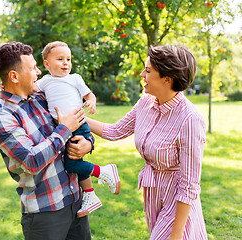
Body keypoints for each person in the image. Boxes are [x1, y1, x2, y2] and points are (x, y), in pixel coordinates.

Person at [87, 45, 208, 240]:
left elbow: (189, 185)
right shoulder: (145, 103)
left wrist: (176, 235)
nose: (142, 74)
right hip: (151, 193)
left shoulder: (190, 119)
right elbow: (115, 131)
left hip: (176, 201)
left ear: (167, 79)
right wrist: (78, 118)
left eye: (148, 70)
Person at [0, 41, 94, 240]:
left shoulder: (40, 98)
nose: (38, 72)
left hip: (75, 201)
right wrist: (64, 130)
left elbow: (76, 122)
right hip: (46, 213)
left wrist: (88, 143)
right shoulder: (2, 117)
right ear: (14, 76)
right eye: (33, 67)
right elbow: (31, 161)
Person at [35, 41, 121, 218]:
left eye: (68, 59)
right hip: (63, 128)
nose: (66, 63)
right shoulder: (45, 81)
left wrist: (91, 101)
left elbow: (89, 94)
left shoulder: (74, 79)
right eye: (60, 59)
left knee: (71, 163)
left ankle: (103, 171)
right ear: (46, 64)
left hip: (79, 124)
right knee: (76, 160)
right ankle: (90, 194)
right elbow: (30, 89)